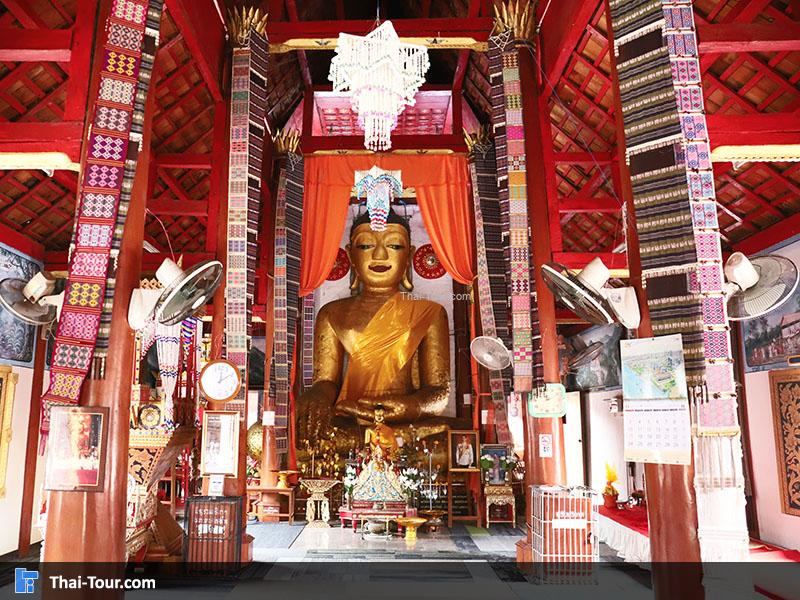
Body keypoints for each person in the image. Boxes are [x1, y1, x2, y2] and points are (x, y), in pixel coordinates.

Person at [297, 209, 457, 459]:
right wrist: (317, 396)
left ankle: (373, 447)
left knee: (452, 442)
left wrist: (411, 406)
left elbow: (438, 392)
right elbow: (326, 381)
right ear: (350, 255)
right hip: (353, 419)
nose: (380, 255)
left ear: (409, 255)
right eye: (365, 246)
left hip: (404, 423)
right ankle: (381, 447)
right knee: (284, 440)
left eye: (394, 244)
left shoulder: (430, 312)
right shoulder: (332, 313)